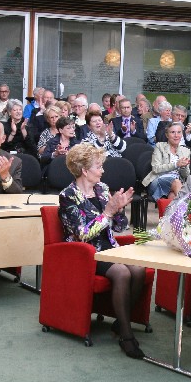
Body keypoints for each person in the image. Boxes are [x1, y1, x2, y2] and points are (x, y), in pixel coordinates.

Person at [59, 143, 146, 359]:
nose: (102, 170)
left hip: (108, 247)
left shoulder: (102, 189)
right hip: (85, 253)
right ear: (84, 170)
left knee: (139, 270)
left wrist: (119, 210)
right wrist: (107, 212)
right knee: (122, 272)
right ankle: (126, 336)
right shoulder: (68, 196)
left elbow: (119, 227)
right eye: (98, 166)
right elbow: (82, 234)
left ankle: (120, 321)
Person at [143, 122, 190, 201]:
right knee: (176, 183)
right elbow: (156, 168)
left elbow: (185, 175)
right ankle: (189, 205)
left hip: (176, 184)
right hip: (158, 181)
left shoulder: (186, 151)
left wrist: (183, 167)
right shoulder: (159, 146)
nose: (176, 135)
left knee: (173, 196)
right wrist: (176, 164)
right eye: (173, 132)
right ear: (167, 135)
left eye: (179, 132)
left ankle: (174, 209)